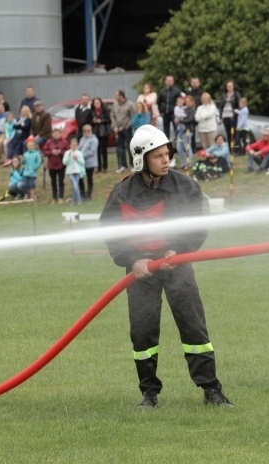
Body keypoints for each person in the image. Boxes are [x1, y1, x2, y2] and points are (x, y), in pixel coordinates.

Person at [99, 124, 233, 409]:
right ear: (141, 159)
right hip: (140, 272)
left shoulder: (185, 187)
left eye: (167, 154)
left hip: (177, 267)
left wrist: (179, 251)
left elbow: (197, 227)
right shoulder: (122, 192)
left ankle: (211, 390)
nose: (166, 160)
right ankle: (149, 394)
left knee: (194, 328)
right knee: (143, 332)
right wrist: (133, 260)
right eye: (158, 156)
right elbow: (110, 231)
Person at [42, 128, 69, 203]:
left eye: (57, 133)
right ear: (52, 134)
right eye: (54, 133)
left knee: (61, 181)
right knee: (53, 181)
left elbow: (68, 151)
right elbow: (44, 151)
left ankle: (61, 197)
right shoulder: (49, 142)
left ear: (60, 133)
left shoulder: (64, 141)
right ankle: (54, 197)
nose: (56, 134)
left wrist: (61, 152)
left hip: (61, 165)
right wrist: (51, 152)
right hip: (51, 165)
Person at [111, 89, 135, 172]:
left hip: (127, 129)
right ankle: (123, 165)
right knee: (120, 147)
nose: (115, 97)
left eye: (117, 95)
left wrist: (128, 125)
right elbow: (112, 116)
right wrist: (114, 126)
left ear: (121, 96)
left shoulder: (130, 104)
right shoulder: (114, 105)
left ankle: (133, 164)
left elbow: (133, 116)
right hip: (118, 129)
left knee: (130, 146)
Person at [62, 137, 85, 205]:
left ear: (77, 145)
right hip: (70, 172)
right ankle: (79, 200)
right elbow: (64, 162)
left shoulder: (79, 153)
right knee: (75, 186)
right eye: (72, 145)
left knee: (76, 186)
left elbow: (83, 162)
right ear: (70, 145)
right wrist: (69, 156)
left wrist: (77, 159)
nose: (73, 146)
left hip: (77, 171)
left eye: (75, 145)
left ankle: (74, 201)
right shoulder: (67, 153)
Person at [157, 75, 182, 140]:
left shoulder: (177, 91)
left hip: (174, 114)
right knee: (166, 132)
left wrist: (178, 113)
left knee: (176, 130)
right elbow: (159, 102)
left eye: (171, 80)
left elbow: (180, 102)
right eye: (168, 80)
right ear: (165, 81)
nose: (169, 82)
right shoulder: (162, 91)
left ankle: (177, 144)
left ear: (173, 81)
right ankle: (167, 144)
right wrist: (161, 111)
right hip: (165, 113)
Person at [78, 124, 98, 200]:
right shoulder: (82, 139)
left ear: (91, 131)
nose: (87, 132)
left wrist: (82, 155)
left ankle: (89, 194)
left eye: (88, 131)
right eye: (85, 131)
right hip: (81, 163)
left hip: (90, 162)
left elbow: (92, 151)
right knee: (80, 178)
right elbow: (79, 148)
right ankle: (82, 194)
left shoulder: (94, 140)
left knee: (89, 178)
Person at [90, 97, 110, 173]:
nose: (96, 104)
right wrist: (93, 121)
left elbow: (109, 119)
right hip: (95, 132)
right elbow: (90, 121)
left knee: (104, 150)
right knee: (97, 151)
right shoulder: (92, 111)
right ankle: (99, 167)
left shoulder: (105, 110)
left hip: (104, 132)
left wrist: (101, 121)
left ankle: (105, 167)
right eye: (95, 103)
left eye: (98, 103)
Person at [218, 79, 240, 146]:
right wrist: (221, 117)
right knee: (228, 133)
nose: (229, 88)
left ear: (233, 87)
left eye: (231, 86)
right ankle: (230, 148)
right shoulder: (224, 95)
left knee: (233, 133)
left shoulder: (236, 94)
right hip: (225, 116)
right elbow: (221, 106)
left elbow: (239, 105)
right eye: (228, 86)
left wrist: (235, 113)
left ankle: (235, 147)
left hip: (233, 116)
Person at [20, 137, 42, 201]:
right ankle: (29, 195)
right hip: (26, 172)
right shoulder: (25, 154)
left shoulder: (37, 153)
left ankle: (32, 197)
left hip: (32, 172)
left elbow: (39, 162)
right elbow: (23, 162)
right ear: (27, 146)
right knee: (26, 184)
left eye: (31, 145)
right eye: (29, 145)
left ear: (34, 146)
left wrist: (34, 168)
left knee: (31, 184)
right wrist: (22, 160)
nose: (30, 147)